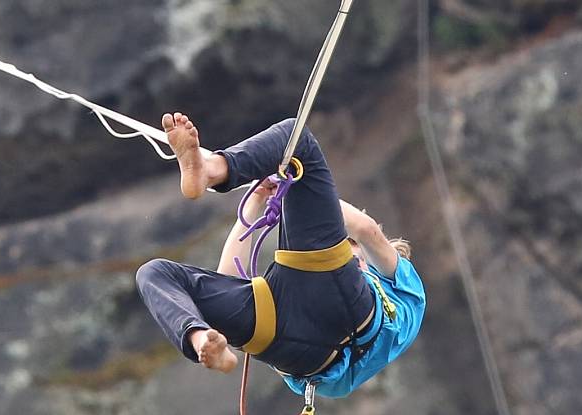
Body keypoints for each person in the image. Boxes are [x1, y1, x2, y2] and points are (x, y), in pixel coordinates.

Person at [136, 112, 425, 398]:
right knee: (155, 272)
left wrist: (291, 187)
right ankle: (202, 341)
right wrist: (260, 198)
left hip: (319, 327)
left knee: (296, 139)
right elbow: (229, 280)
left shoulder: (400, 280)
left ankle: (214, 170)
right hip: (303, 339)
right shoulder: (404, 298)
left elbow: (366, 229)